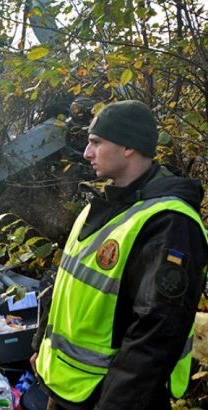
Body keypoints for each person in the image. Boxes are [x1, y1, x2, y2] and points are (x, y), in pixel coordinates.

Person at [30, 100, 208, 409]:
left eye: (96, 142)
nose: (87, 153)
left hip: (110, 397)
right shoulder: (103, 206)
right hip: (67, 387)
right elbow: (64, 284)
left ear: (128, 146)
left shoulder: (170, 222)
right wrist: (40, 346)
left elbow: (157, 333)